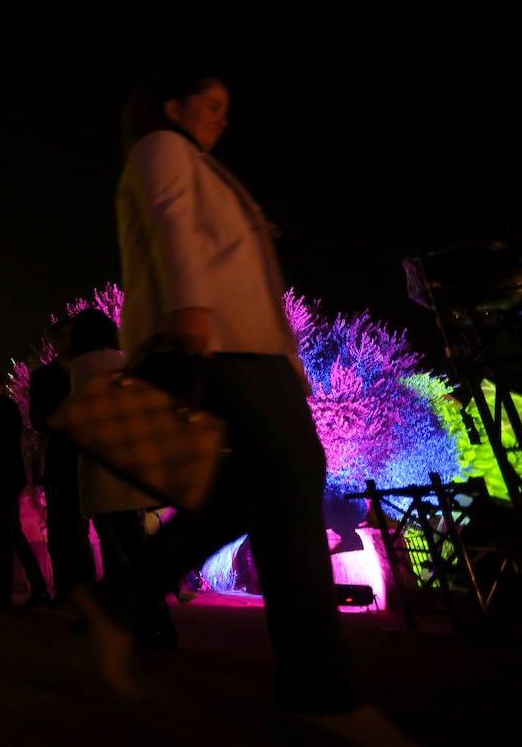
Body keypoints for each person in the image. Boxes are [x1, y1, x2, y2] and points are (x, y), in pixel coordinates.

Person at [78, 72, 410, 742]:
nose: (222, 119)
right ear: (173, 106)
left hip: (244, 346)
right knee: (289, 475)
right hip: (219, 344)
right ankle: (321, 688)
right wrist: (192, 307)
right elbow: (172, 219)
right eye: (211, 106)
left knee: (240, 495)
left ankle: (122, 599)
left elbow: (213, 240)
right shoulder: (162, 149)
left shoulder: (203, 166)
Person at [64, 306, 175, 650]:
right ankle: (151, 625)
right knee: (134, 548)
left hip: (103, 471)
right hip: (130, 468)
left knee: (122, 552)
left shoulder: (81, 367)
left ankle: (152, 627)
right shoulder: (125, 361)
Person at [28, 317, 95, 608]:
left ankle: (87, 592)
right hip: (61, 457)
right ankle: (66, 591)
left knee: (82, 530)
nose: (66, 342)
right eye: (62, 337)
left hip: (88, 456)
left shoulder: (90, 370)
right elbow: (38, 419)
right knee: (59, 529)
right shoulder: (44, 376)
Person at [0, 367, 51, 609]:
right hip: (5, 478)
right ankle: (33, 587)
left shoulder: (5, 407)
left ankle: (7, 590)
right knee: (10, 532)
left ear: (1, 385)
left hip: (6, 477)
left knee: (6, 532)